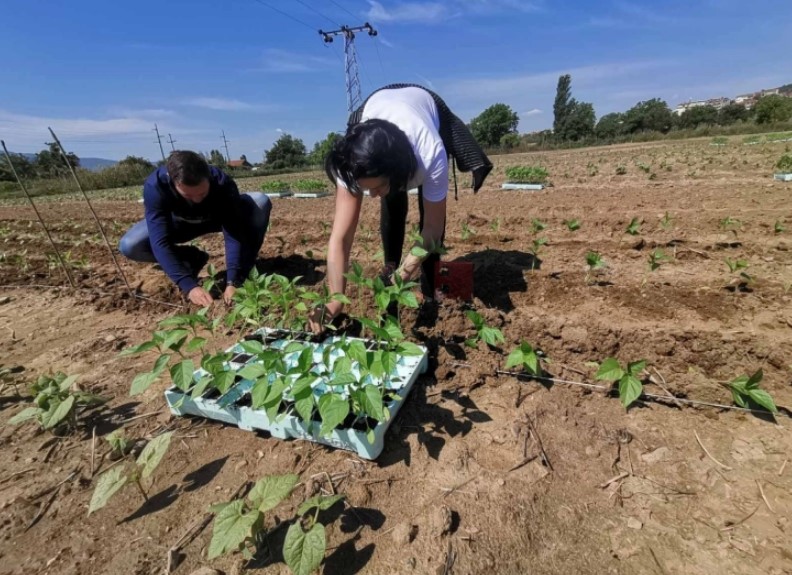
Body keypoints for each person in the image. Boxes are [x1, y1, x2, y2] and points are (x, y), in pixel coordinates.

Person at [308, 85, 491, 333]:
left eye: (376, 187)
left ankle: (431, 289)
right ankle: (389, 265)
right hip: (380, 108)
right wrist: (334, 299)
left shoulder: (430, 151)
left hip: (425, 109)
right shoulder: (351, 162)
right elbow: (340, 238)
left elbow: (433, 229)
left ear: (398, 174)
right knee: (391, 202)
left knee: (427, 230)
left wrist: (405, 275)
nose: (370, 196)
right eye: (366, 189)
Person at [119, 150, 272, 306]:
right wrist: (188, 285)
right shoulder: (156, 186)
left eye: (202, 193)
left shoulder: (222, 183)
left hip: (214, 219)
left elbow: (233, 232)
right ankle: (190, 259)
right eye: (189, 196)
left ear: (208, 178)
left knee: (260, 201)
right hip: (178, 225)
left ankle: (245, 268)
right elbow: (160, 241)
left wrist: (233, 280)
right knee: (130, 245)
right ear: (174, 182)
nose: (197, 200)